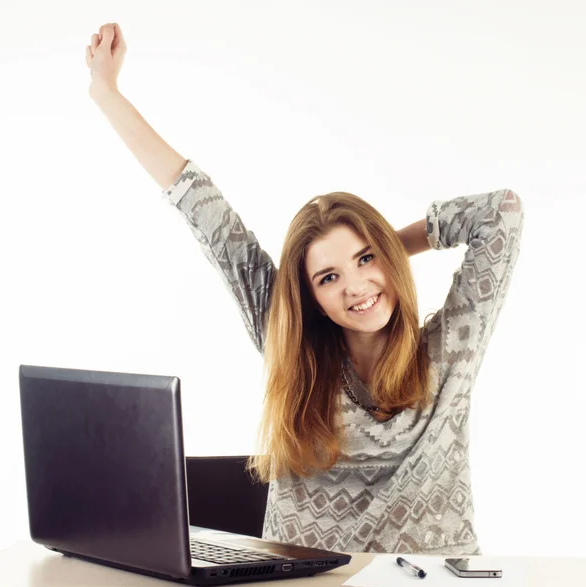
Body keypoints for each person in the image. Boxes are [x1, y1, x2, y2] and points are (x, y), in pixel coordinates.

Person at [86, 23, 524, 555]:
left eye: (366, 259)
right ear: (309, 296)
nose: (358, 286)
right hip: (304, 585)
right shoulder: (286, 335)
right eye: (329, 278)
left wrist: (390, 247)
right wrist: (107, 95)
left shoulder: (449, 351)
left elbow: (500, 213)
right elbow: (207, 214)